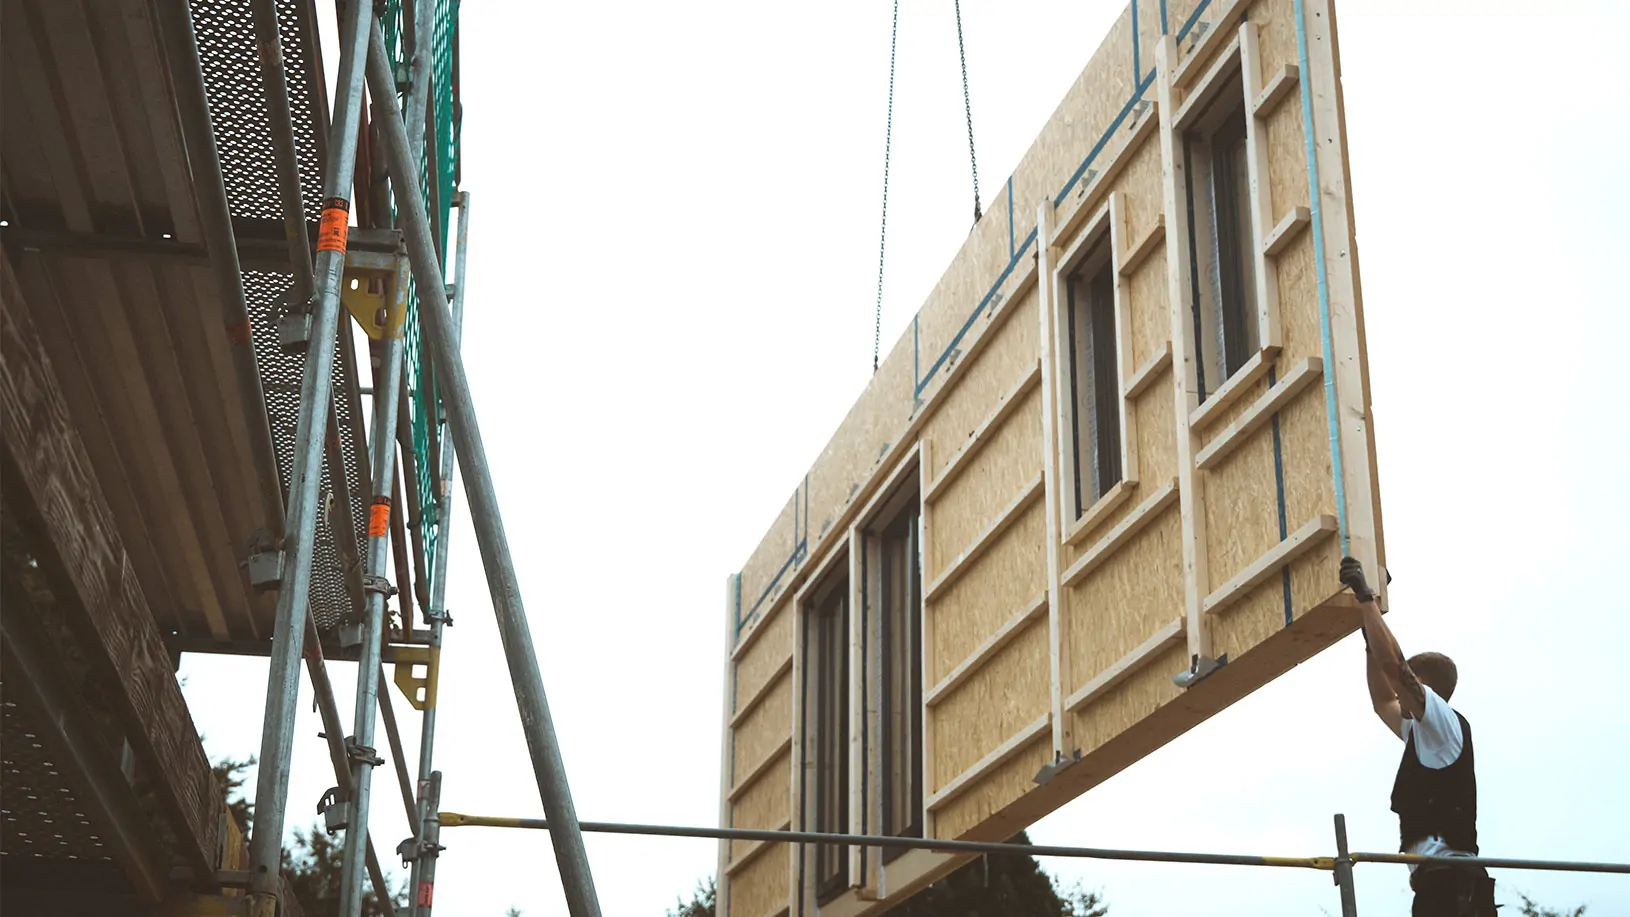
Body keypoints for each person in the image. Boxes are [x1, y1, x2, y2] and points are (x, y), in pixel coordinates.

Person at [1340, 557, 1495, 917]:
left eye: (1409, 687)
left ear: (1430, 692)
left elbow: (1395, 670)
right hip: (1437, 884)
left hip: (1455, 886)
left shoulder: (1441, 723)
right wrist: (1369, 634)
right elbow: (1381, 701)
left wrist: (1367, 601)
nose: (1400, 696)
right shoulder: (1420, 733)